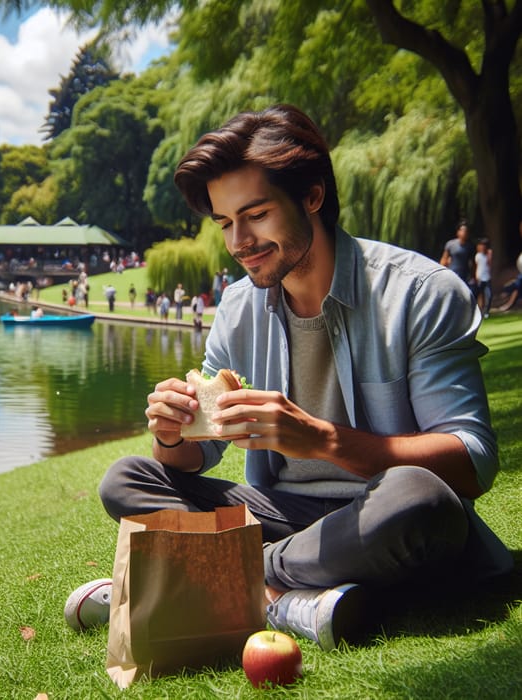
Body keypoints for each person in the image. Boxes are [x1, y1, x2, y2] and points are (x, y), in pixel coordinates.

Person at [98, 105, 512, 651]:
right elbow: (197, 456)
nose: (238, 241)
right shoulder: (236, 309)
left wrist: (319, 438)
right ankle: (290, 594)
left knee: (422, 498)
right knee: (127, 478)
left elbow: (473, 461)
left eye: (256, 214)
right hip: (282, 515)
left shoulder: (420, 293)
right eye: (224, 222)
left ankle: (214, 577)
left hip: (380, 508)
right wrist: (172, 434)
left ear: (312, 197)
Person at [473, 237, 493, 318]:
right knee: (479, 296)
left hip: (487, 278)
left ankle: (487, 311)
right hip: (480, 278)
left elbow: (489, 264)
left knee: (489, 295)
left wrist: (489, 255)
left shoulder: (488, 254)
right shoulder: (478, 255)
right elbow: (476, 266)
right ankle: (479, 311)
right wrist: (475, 277)